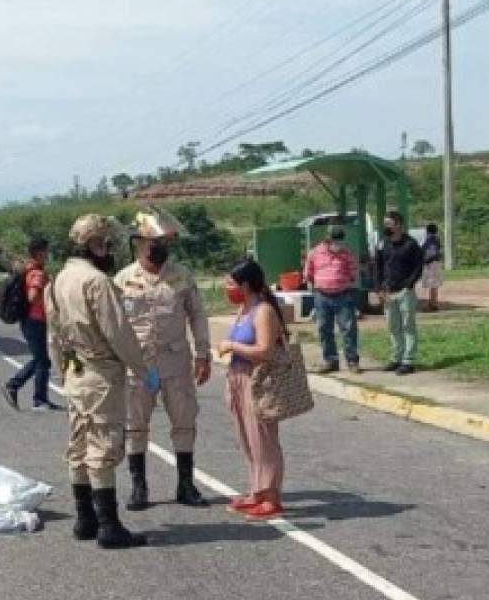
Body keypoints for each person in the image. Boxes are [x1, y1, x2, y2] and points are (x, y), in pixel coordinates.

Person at [45, 214, 157, 550]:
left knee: (79, 444)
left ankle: (85, 519)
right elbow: (119, 333)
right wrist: (142, 369)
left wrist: (62, 372)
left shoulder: (57, 281)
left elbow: (53, 336)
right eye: (106, 244)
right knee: (103, 447)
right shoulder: (97, 282)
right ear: (94, 244)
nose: (109, 251)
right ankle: (109, 526)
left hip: (74, 372)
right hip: (100, 374)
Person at [116, 208, 211, 510]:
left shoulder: (182, 276)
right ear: (139, 243)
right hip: (138, 365)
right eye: (154, 242)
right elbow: (114, 324)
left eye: (165, 243)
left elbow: (197, 315)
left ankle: (185, 485)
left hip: (176, 362)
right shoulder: (123, 279)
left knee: (184, 421)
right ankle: (139, 487)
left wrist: (203, 352)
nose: (160, 248)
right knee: (135, 426)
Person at [218, 259, 288, 521]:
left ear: (245, 285)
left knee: (264, 440)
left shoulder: (264, 311)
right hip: (238, 378)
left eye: (231, 283)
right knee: (247, 438)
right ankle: (257, 490)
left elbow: (264, 351)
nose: (228, 288)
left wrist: (232, 347)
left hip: (257, 380)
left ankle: (272, 497)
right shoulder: (244, 309)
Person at [1, 236, 59, 411]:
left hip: (31, 320)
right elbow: (33, 296)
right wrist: (46, 296)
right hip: (35, 320)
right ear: (40, 252)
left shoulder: (29, 269)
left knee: (42, 360)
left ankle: (32, 394)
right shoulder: (37, 273)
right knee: (42, 361)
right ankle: (33, 396)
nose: (48, 254)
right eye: (46, 251)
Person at [303, 222, 360, 374]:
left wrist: (343, 282)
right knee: (324, 328)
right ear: (327, 238)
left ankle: (352, 360)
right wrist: (311, 284)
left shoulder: (347, 253)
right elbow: (308, 272)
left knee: (348, 329)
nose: (338, 243)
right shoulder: (315, 253)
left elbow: (354, 273)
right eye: (335, 240)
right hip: (322, 296)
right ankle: (330, 360)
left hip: (343, 295)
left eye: (340, 240)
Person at [375, 209, 423, 375]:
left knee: (408, 326)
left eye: (389, 223)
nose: (386, 227)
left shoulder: (411, 244)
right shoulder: (383, 243)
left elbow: (418, 267)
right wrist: (379, 288)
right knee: (393, 327)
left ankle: (408, 361)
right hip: (388, 292)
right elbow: (378, 266)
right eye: (385, 224)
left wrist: (409, 285)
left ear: (399, 225)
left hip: (404, 292)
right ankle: (396, 358)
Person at [420, 223, 444, 312]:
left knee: (433, 284)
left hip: (431, 264)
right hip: (435, 263)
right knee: (434, 285)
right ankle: (433, 302)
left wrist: (425, 260)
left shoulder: (430, 239)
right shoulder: (435, 239)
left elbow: (431, 253)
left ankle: (433, 304)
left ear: (427, 231)